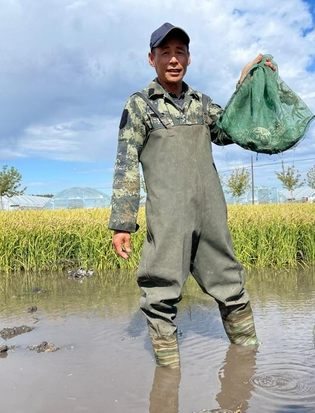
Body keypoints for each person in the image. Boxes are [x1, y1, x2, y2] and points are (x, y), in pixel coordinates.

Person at [109, 22, 273, 369]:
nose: (173, 59)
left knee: (231, 286)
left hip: (211, 215)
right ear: (151, 59)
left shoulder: (201, 103)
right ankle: (168, 383)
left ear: (188, 58)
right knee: (160, 294)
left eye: (179, 51)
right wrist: (123, 222)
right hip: (168, 220)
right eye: (164, 52)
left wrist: (245, 83)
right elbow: (126, 162)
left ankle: (246, 367)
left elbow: (230, 130)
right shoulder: (141, 105)